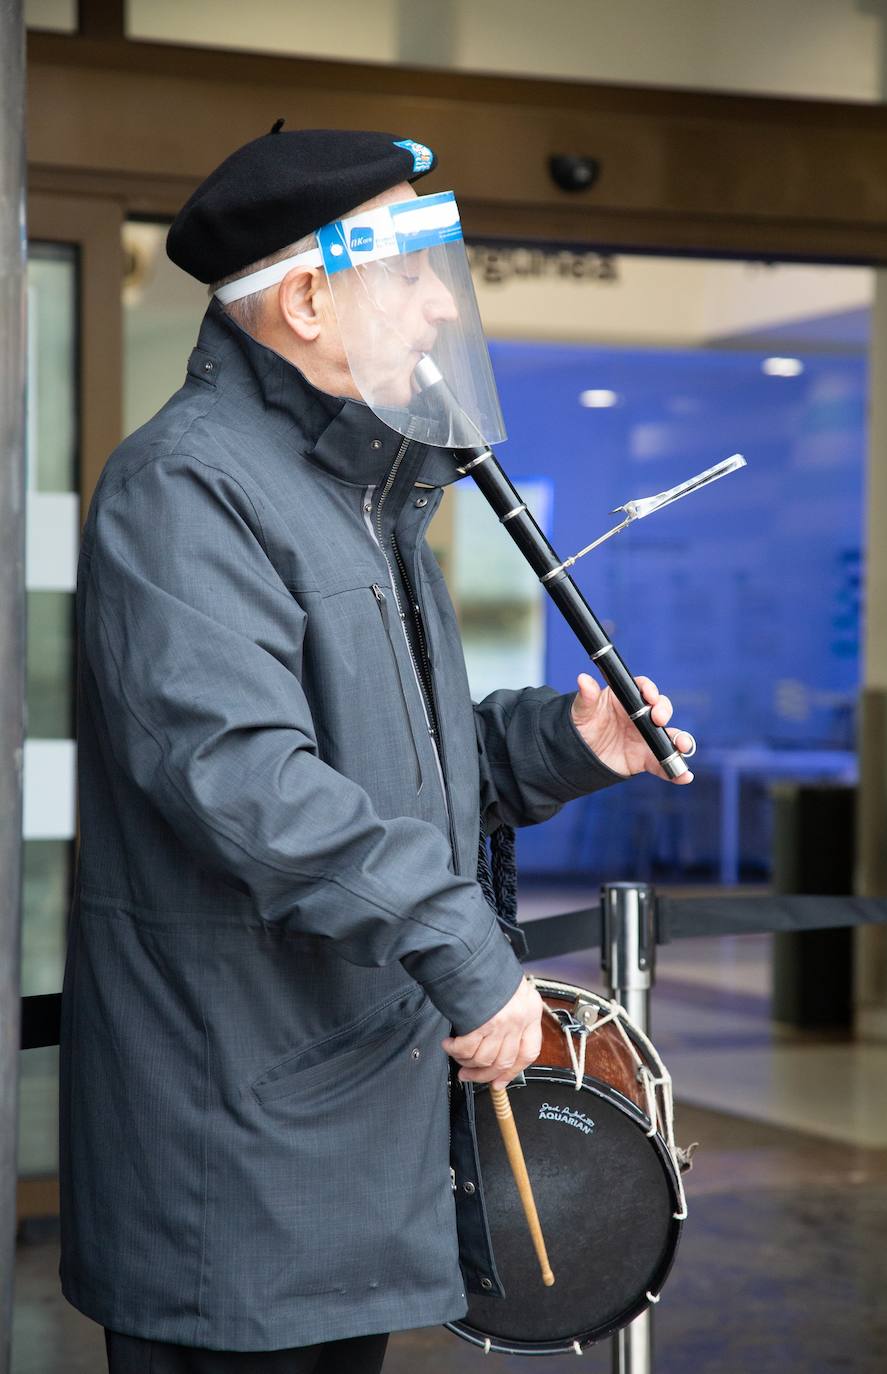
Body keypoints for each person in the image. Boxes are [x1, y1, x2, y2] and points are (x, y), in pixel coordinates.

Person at [59, 126, 695, 1374]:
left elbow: (393, 763)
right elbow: (243, 781)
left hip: (345, 1113)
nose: (432, 304)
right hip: (234, 1146)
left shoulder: (363, 494)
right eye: (407, 270)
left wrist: (563, 741)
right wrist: (462, 947)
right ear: (305, 299)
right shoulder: (188, 488)